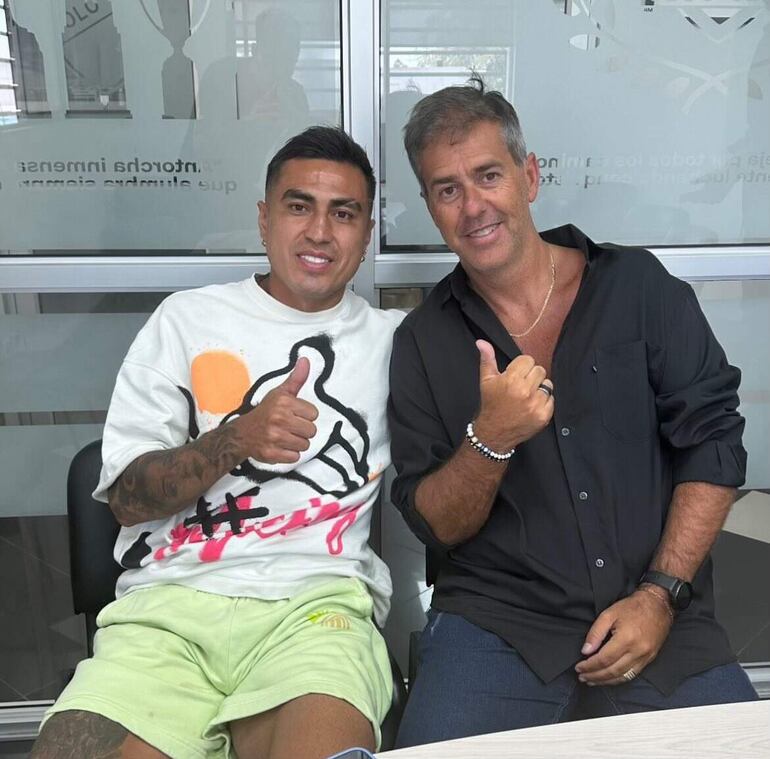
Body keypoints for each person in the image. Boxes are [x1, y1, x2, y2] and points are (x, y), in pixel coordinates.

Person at [387, 77, 757, 748]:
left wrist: (661, 594)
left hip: (660, 611)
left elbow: (714, 445)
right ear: (431, 208)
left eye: (488, 175)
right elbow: (435, 523)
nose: (473, 206)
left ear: (528, 176)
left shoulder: (637, 287)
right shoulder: (423, 340)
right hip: (499, 626)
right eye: (447, 189)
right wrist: (490, 438)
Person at [33, 126, 403, 759]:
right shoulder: (187, 320)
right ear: (264, 219)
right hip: (166, 615)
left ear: (367, 233)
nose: (319, 232)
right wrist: (237, 437)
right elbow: (126, 501)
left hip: (316, 612)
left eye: (344, 214)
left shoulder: (395, 341)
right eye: (298, 206)